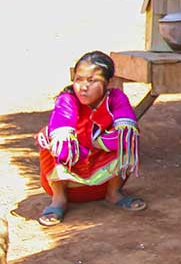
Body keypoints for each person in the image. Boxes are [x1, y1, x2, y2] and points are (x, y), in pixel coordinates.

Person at [36, 51, 144, 226]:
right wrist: (90, 146)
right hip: (71, 184)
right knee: (51, 137)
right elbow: (62, 140)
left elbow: (125, 136)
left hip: (101, 184)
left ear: (108, 82)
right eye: (79, 79)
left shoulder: (116, 99)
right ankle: (59, 199)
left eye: (91, 80)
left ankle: (113, 193)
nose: (83, 87)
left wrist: (96, 143)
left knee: (130, 134)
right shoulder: (67, 100)